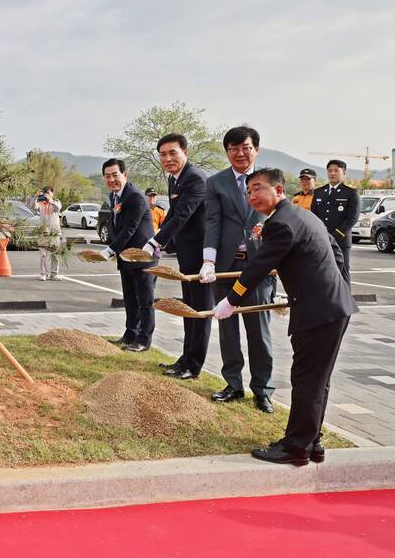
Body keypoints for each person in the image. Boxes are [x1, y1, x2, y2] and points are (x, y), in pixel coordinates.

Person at [214, 168, 357, 466]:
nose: (252, 195)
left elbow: (258, 266)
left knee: (306, 380)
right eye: (248, 191)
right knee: (318, 380)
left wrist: (230, 299)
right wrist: (338, 288)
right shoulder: (304, 215)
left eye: (258, 188)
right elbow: (336, 253)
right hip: (332, 306)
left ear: (278, 191)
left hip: (318, 312)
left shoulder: (280, 224)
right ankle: (311, 441)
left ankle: (296, 448)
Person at [200, 126, 274, 413]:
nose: (240, 153)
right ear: (227, 152)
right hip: (227, 267)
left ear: (256, 149)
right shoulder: (216, 182)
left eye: (245, 147)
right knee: (227, 328)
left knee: (259, 331)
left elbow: (278, 218)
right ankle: (233, 384)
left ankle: (263, 390)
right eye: (233, 148)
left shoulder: (268, 180)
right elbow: (213, 223)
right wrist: (209, 260)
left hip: (260, 267)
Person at [139, 133, 213, 380]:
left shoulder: (195, 179)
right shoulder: (175, 179)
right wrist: (157, 240)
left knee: (199, 310)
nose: (168, 158)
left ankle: (194, 365)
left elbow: (183, 216)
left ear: (185, 152)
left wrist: (155, 242)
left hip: (203, 255)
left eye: (173, 153)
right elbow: (172, 214)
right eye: (163, 154)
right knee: (187, 305)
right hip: (187, 253)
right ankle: (185, 358)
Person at [98, 159, 156, 352]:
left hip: (142, 257)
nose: (112, 179)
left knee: (144, 301)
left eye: (115, 175)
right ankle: (130, 334)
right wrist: (116, 250)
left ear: (125, 174)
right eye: (107, 176)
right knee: (130, 299)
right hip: (126, 258)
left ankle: (144, 340)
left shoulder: (135, 197)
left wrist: (109, 250)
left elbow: (129, 229)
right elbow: (116, 228)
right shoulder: (114, 197)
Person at [311, 160, 359, 275]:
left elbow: (352, 218)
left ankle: (345, 293)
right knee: (323, 272)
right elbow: (314, 216)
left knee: (342, 272)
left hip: (341, 240)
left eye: (336, 171)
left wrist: (334, 235)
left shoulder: (351, 192)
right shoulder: (318, 192)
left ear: (344, 172)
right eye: (330, 171)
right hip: (322, 239)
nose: (332, 173)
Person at [34, 186, 62, 281]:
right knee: (43, 254)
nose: (46, 195)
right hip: (43, 231)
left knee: (55, 254)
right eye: (45, 193)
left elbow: (58, 208)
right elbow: (34, 207)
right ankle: (43, 274)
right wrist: (36, 197)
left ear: (52, 194)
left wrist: (50, 200)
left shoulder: (56, 202)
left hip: (55, 232)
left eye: (48, 193)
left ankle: (54, 274)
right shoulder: (40, 203)